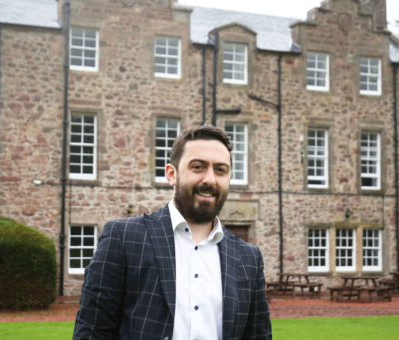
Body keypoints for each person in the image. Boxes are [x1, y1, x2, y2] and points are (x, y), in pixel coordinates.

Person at [73, 125, 272, 339]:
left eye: (220, 170)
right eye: (198, 167)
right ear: (171, 174)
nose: (210, 179)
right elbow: (92, 331)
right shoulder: (123, 238)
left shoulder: (248, 258)